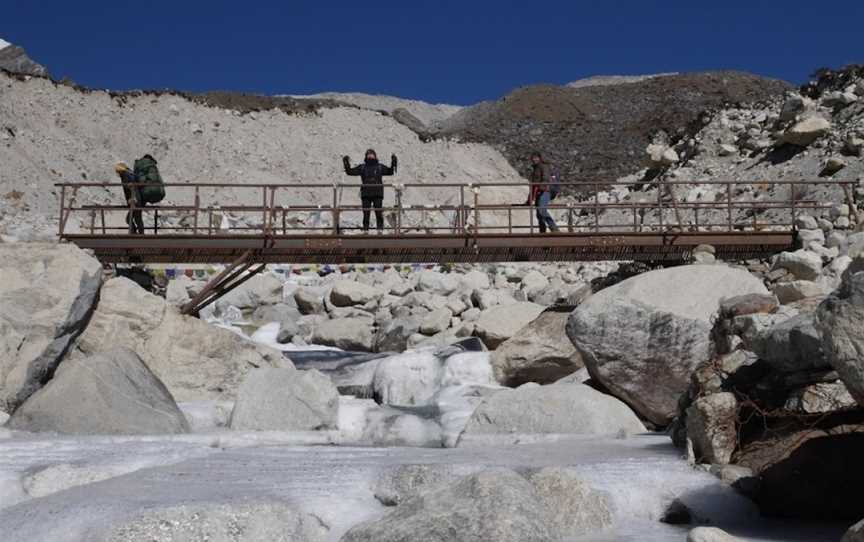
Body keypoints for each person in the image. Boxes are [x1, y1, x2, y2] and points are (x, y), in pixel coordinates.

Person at [342, 149, 397, 233]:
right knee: (366, 213)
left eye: (372, 154)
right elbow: (350, 172)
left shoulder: (379, 167)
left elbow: (390, 171)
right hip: (366, 194)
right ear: (366, 156)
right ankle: (366, 230)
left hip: (377, 193)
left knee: (378, 212)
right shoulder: (362, 167)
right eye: (368, 154)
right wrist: (346, 163)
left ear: (375, 156)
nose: (370, 155)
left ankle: (380, 230)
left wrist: (393, 162)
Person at [526, 151, 559, 233]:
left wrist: (541, 186)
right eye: (533, 158)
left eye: (536, 158)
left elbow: (546, 178)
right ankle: (542, 232)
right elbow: (533, 186)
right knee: (539, 214)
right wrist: (529, 200)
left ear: (540, 158)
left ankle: (554, 229)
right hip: (539, 192)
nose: (534, 159)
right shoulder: (535, 169)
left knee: (542, 210)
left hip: (546, 191)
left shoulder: (544, 166)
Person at [114, 162, 145, 234]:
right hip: (137, 199)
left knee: (130, 219)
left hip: (135, 200)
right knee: (137, 219)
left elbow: (131, 186)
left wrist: (133, 198)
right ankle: (140, 235)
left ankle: (137, 234)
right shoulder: (130, 173)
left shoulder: (125, 175)